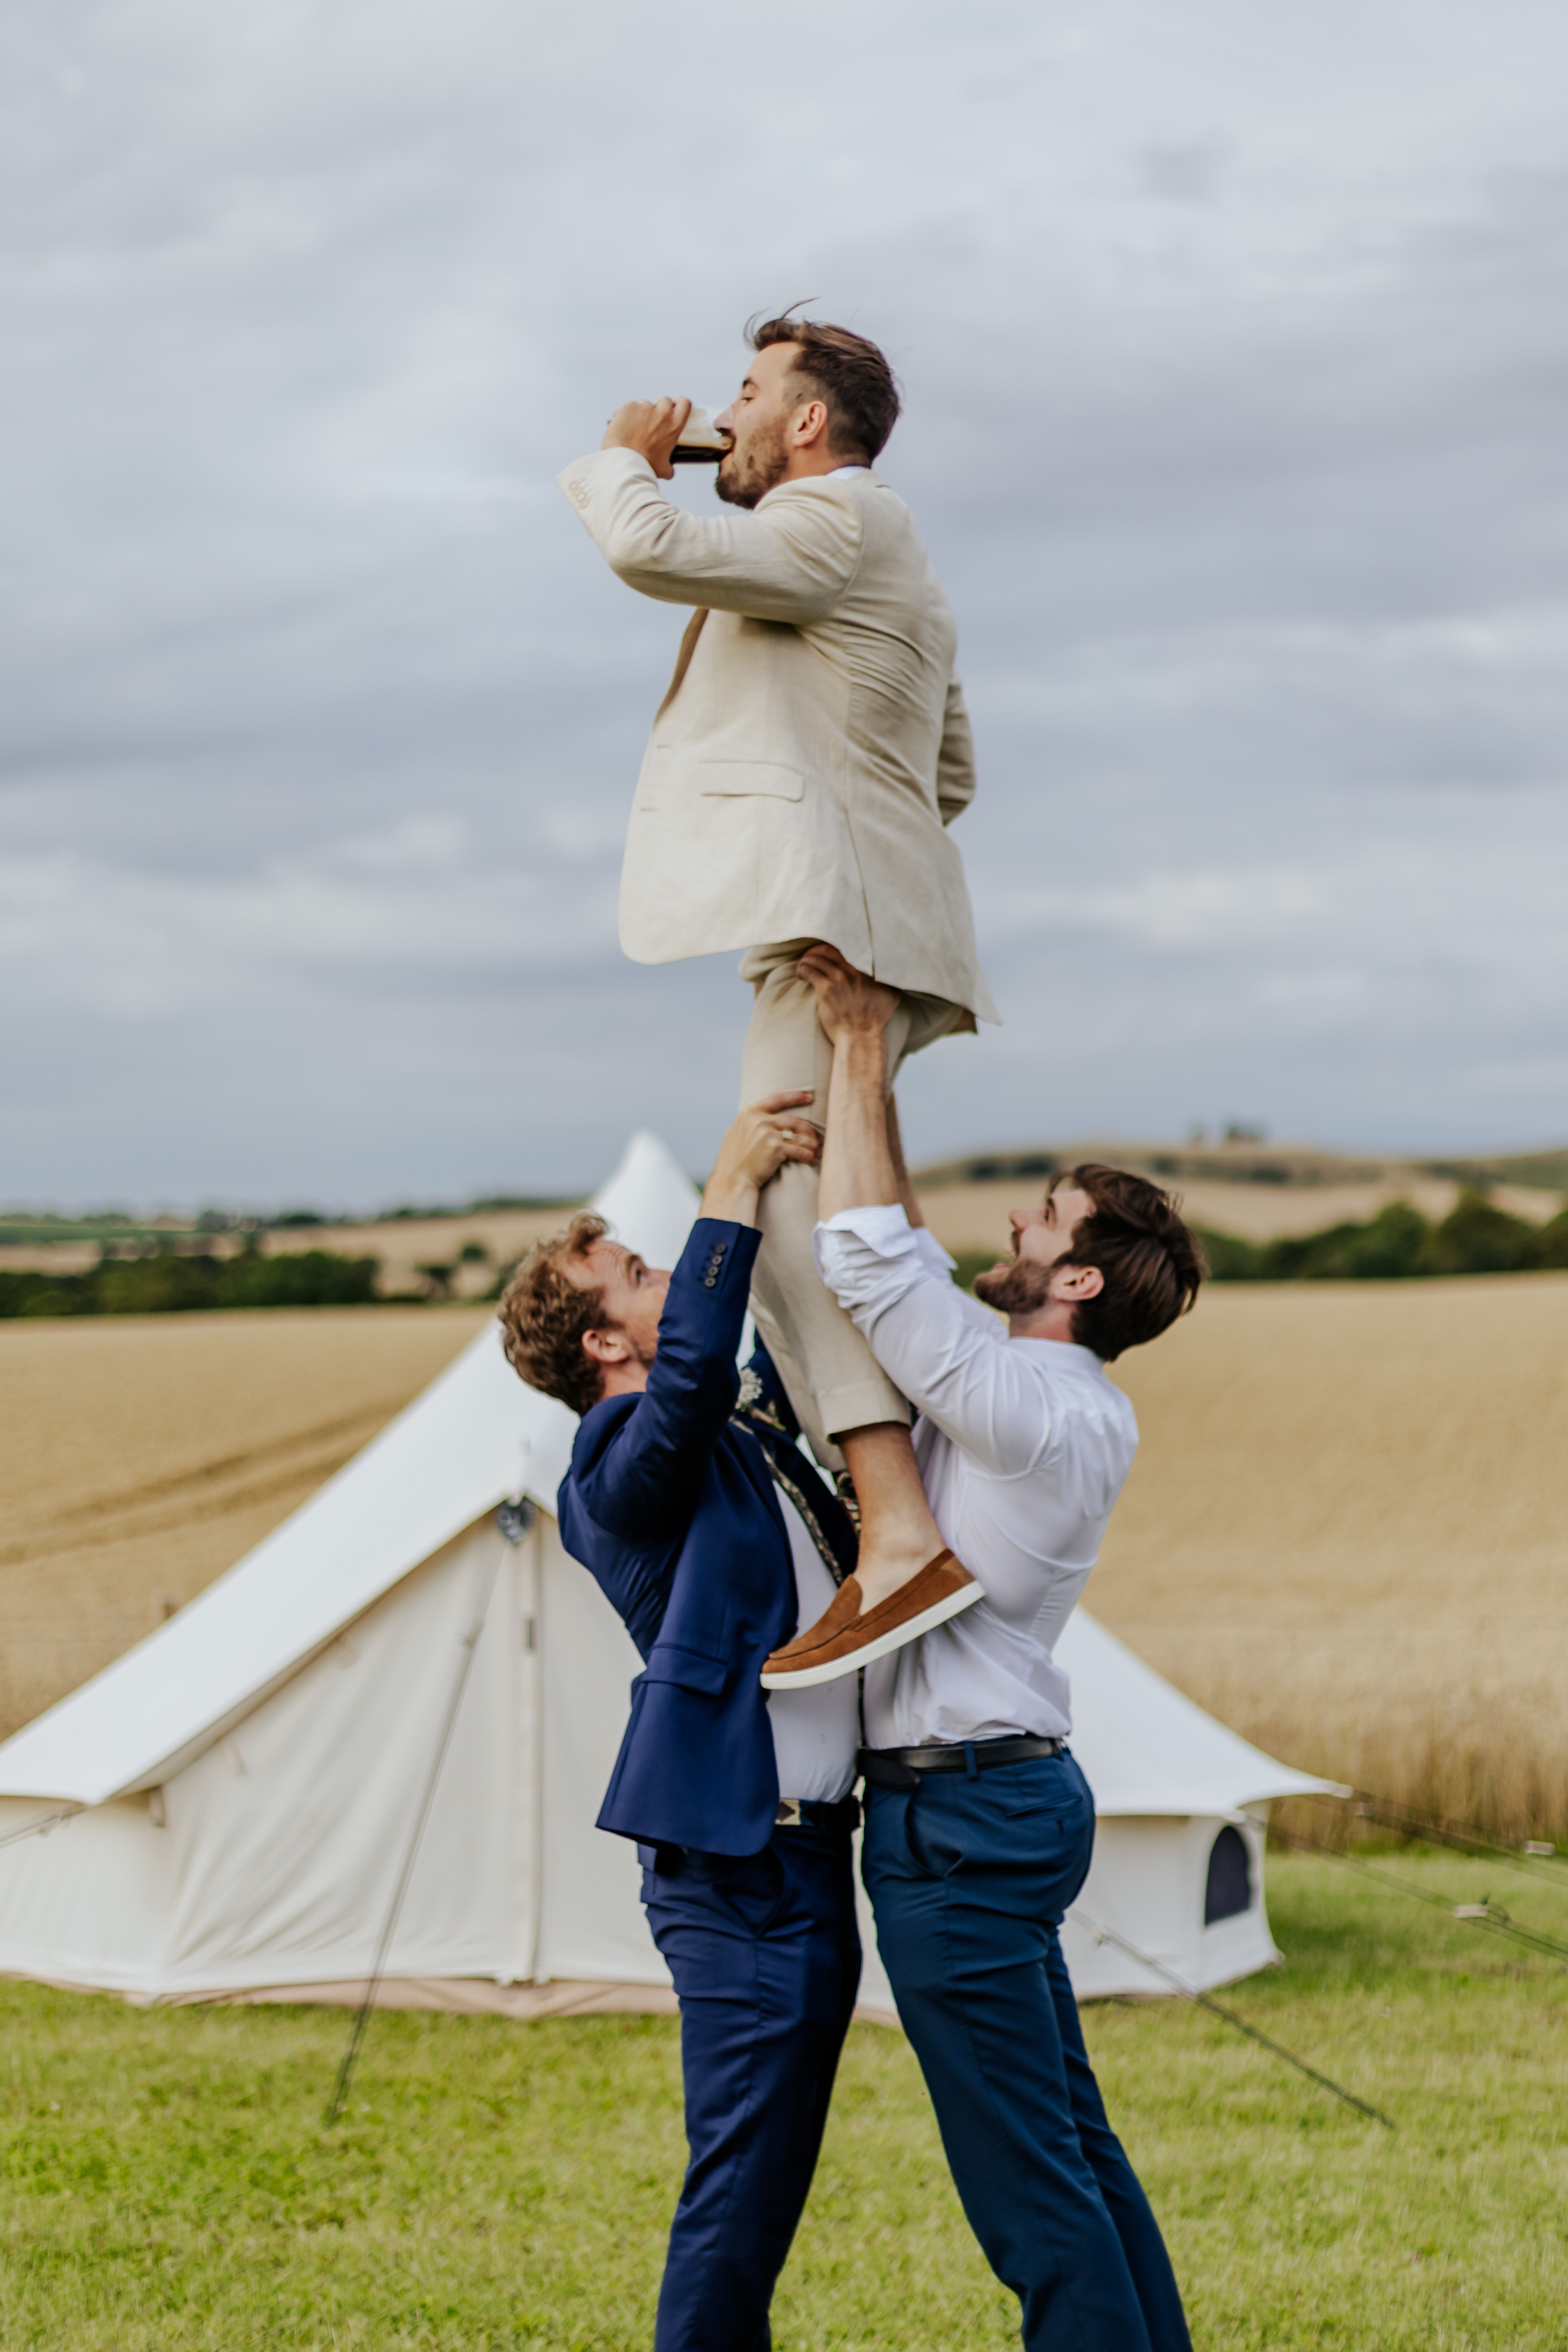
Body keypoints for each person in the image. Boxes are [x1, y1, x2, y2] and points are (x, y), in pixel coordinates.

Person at [556, 311, 997, 1678]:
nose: (723, 416)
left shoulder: (839, 517)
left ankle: (903, 1531)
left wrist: (623, 458)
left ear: (810, 423)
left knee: (784, 1217)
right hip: (854, 918)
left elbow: (647, 545)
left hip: (835, 932)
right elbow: (954, 772)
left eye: (748, 394)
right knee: (845, 1204)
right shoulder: (872, 551)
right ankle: (910, 1497)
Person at [789, 941, 1203, 2352]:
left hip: (959, 1818)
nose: (1017, 1218)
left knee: (1029, 2186)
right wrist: (873, 1062)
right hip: (998, 1798)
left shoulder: (1023, 1402)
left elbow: (861, 1254)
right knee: (1070, 2139)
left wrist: (853, 1036)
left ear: (1072, 1274)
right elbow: (897, 1238)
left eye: (1044, 1215)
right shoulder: (1049, 1390)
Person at [496, 1090, 862, 2352]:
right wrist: (727, 1186)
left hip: (811, 1855)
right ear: (602, 1345)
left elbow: (746, 1371)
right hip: (737, 1868)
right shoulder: (607, 1467)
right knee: (737, 2194)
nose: (664, 1276)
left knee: (762, 2197)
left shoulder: (719, 1438)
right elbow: (696, 1365)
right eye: (639, 1272)